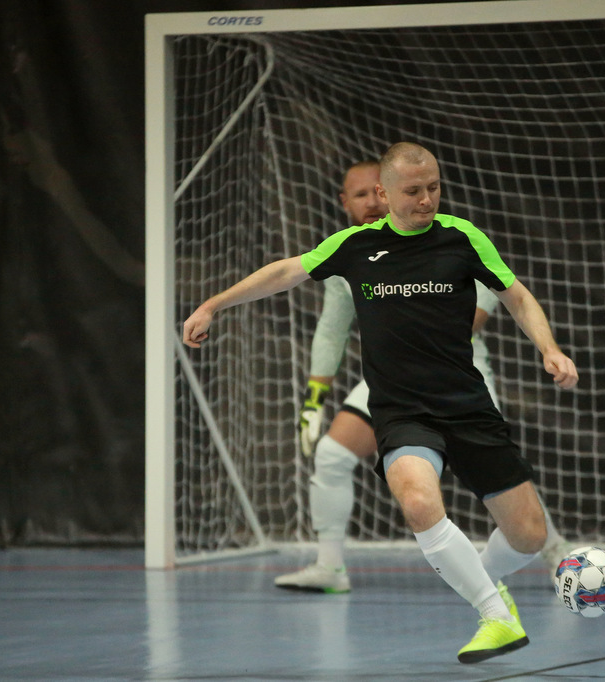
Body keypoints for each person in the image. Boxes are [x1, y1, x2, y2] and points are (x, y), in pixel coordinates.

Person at [184, 141, 578, 664]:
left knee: (528, 535)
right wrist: (214, 304)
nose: (426, 200)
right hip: (400, 410)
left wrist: (549, 349)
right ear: (384, 193)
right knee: (417, 502)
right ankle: (494, 614)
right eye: (413, 191)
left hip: (466, 403)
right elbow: (285, 272)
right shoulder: (355, 245)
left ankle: (480, 579)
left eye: (433, 188)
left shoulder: (463, 238)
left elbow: (517, 296)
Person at [278, 160, 573, 593]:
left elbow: (485, 304)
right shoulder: (348, 252)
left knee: (499, 468)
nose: (370, 202)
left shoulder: (450, 240)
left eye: (375, 192)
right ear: (347, 202)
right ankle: (330, 567)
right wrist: (314, 396)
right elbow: (331, 326)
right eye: (359, 195)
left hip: (458, 374)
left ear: (389, 193)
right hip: (393, 381)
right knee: (333, 453)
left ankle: (553, 550)